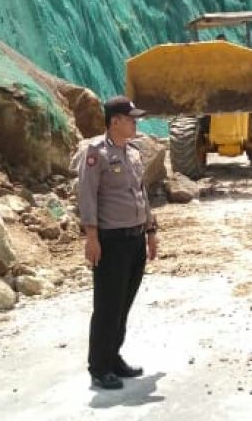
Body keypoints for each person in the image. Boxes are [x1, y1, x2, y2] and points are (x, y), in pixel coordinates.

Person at [77, 95, 159, 390]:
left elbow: (141, 194)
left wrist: (151, 231)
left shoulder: (133, 152)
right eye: (131, 118)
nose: (135, 123)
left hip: (135, 238)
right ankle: (99, 367)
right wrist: (91, 237)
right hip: (110, 242)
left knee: (123, 304)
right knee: (107, 306)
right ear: (115, 122)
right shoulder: (96, 153)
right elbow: (87, 196)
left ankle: (113, 357)